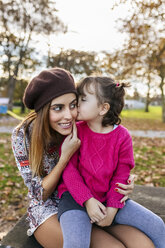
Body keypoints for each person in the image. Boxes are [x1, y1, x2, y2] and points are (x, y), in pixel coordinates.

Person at [11, 67, 156, 248]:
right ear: (43, 109)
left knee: (144, 244)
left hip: (93, 197)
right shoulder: (23, 136)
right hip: (51, 207)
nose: (69, 115)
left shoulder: (81, 125)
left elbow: (109, 154)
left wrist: (123, 182)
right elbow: (38, 194)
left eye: (73, 104)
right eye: (58, 108)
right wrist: (65, 157)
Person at [57, 75, 165, 248]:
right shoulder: (76, 131)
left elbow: (122, 174)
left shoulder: (122, 137)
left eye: (83, 99)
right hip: (75, 199)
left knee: (157, 225)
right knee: (76, 243)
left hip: (109, 198)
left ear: (103, 108)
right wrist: (88, 200)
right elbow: (69, 171)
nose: (76, 104)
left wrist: (112, 210)